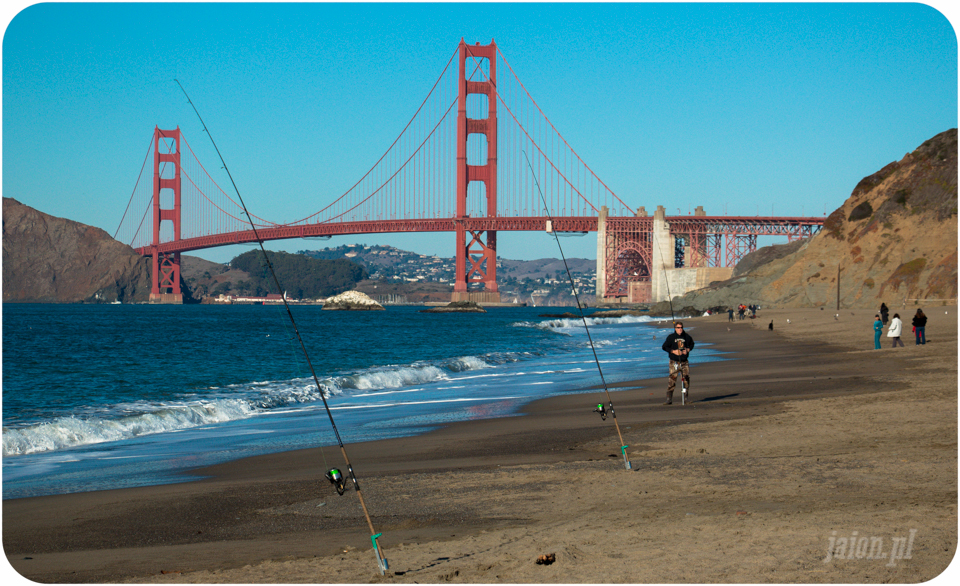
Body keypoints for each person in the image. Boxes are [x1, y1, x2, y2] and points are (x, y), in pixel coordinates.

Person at [662, 321, 695, 405]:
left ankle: (686, 398)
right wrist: (673, 351)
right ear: (675, 328)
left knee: (686, 379)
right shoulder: (671, 337)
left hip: (684, 362)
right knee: (672, 380)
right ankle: (669, 399)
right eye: (678, 328)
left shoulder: (686, 337)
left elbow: (692, 344)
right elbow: (664, 347)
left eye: (681, 328)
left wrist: (687, 350)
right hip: (674, 362)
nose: (680, 329)